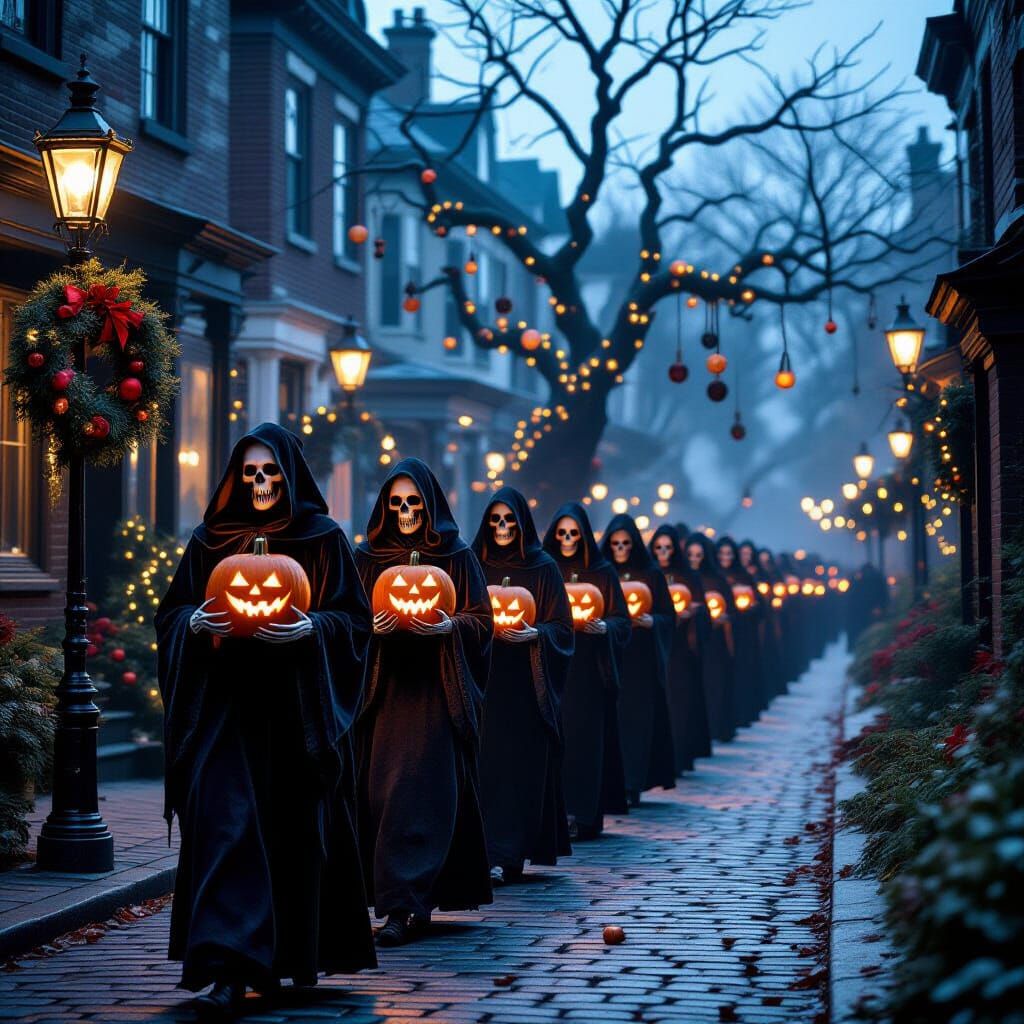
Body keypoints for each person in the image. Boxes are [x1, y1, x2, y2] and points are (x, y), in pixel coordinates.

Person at [156, 422, 375, 1019]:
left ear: (289, 475)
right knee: (227, 825)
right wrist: (192, 626)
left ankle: (278, 959)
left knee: (287, 833)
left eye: (270, 472)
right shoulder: (210, 540)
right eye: (250, 472)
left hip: (295, 714)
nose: (260, 483)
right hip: (224, 709)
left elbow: (356, 623)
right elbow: (173, 611)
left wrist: (315, 628)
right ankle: (228, 966)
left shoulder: (323, 538)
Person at [354, 459, 493, 947]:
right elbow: (348, 619)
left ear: (429, 506)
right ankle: (399, 897)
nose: (406, 512)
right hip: (383, 693)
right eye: (397, 504)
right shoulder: (368, 558)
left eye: (414, 503)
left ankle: (404, 903)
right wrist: (369, 631)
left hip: (436, 694)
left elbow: (483, 619)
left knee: (420, 794)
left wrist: (451, 626)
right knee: (380, 793)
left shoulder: (457, 558)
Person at [471, 487, 574, 882]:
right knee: (486, 768)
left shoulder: (542, 568)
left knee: (517, 770)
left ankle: (509, 852)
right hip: (485, 684)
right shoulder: (473, 563)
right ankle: (487, 850)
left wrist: (536, 636)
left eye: (509, 521)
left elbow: (562, 627)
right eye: (495, 520)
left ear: (521, 524)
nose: (501, 528)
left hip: (527, 688)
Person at [542, 503, 630, 839]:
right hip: (553, 669)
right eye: (562, 533)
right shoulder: (546, 567)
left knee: (586, 743)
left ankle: (585, 813)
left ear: (583, 535)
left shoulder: (602, 571)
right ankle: (557, 813)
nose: (567, 540)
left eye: (573, 534)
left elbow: (622, 620)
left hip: (589, 671)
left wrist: (605, 627)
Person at [600, 514, 676, 804]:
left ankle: (633, 782)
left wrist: (652, 621)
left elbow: (668, 615)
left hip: (640, 658)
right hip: (611, 656)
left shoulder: (651, 574)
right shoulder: (603, 572)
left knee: (636, 721)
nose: (621, 549)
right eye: (616, 543)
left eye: (626, 543)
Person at [650, 524, 712, 773]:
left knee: (680, 704)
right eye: (658, 548)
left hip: (681, 649)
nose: (663, 552)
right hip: (654, 649)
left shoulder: (688, 576)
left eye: (668, 548)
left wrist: (693, 615)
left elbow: (704, 613)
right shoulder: (649, 574)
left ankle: (680, 756)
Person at [685, 532, 737, 742]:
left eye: (699, 555)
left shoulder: (718, 580)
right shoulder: (683, 578)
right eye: (690, 555)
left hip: (714, 642)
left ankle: (716, 726)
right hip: (688, 640)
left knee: (714, 684)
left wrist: (724, 618)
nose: (694, 560)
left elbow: (732, 610)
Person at [716, 536, 767, 725]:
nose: (725, 557)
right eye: (721, 553)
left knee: (743, 673)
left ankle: (744, 713)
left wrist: (752, 607)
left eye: (728, 553)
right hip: (721, 632)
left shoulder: (744, 576)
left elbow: (761, 606)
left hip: (743, 632)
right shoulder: (715, 575)